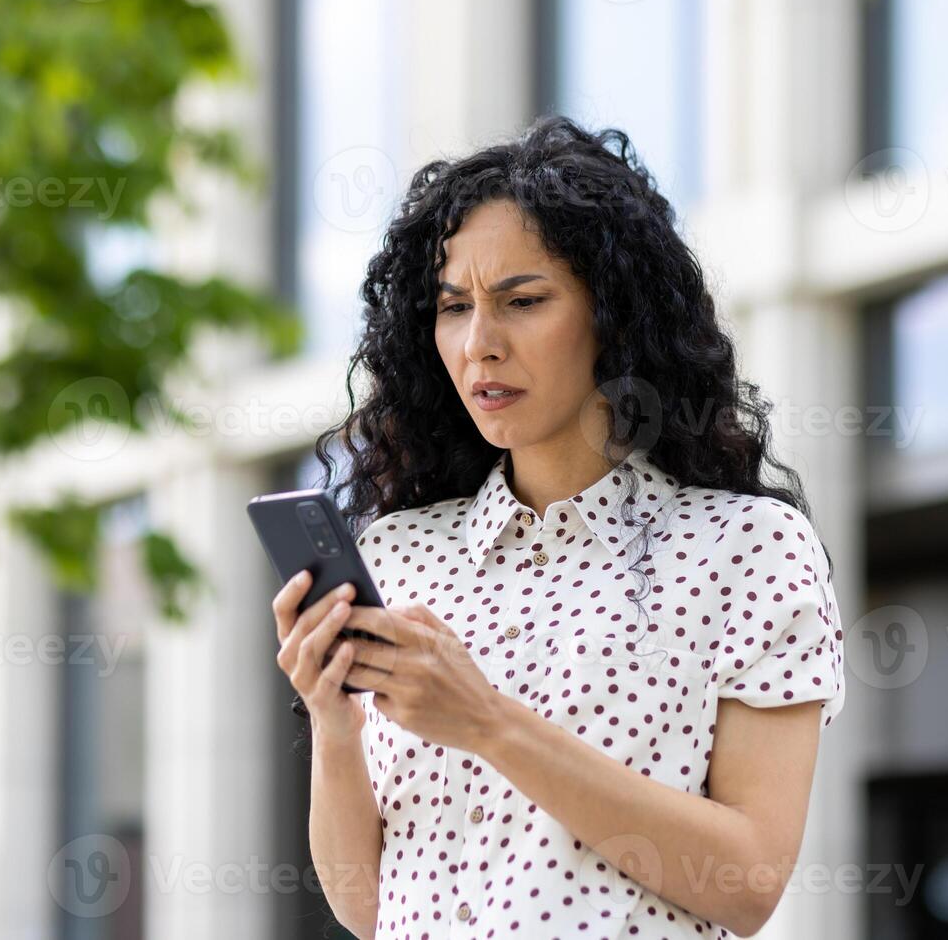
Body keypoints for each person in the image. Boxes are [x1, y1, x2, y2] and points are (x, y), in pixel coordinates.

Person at [271, 115, 846, 940]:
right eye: (453, 307)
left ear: (614, 315)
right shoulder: (400, 553)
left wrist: (488, 723)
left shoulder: (745, 549)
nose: (479, 344)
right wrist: (332, 721)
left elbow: (748, 880)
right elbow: (372, 910)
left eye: (523, 301)